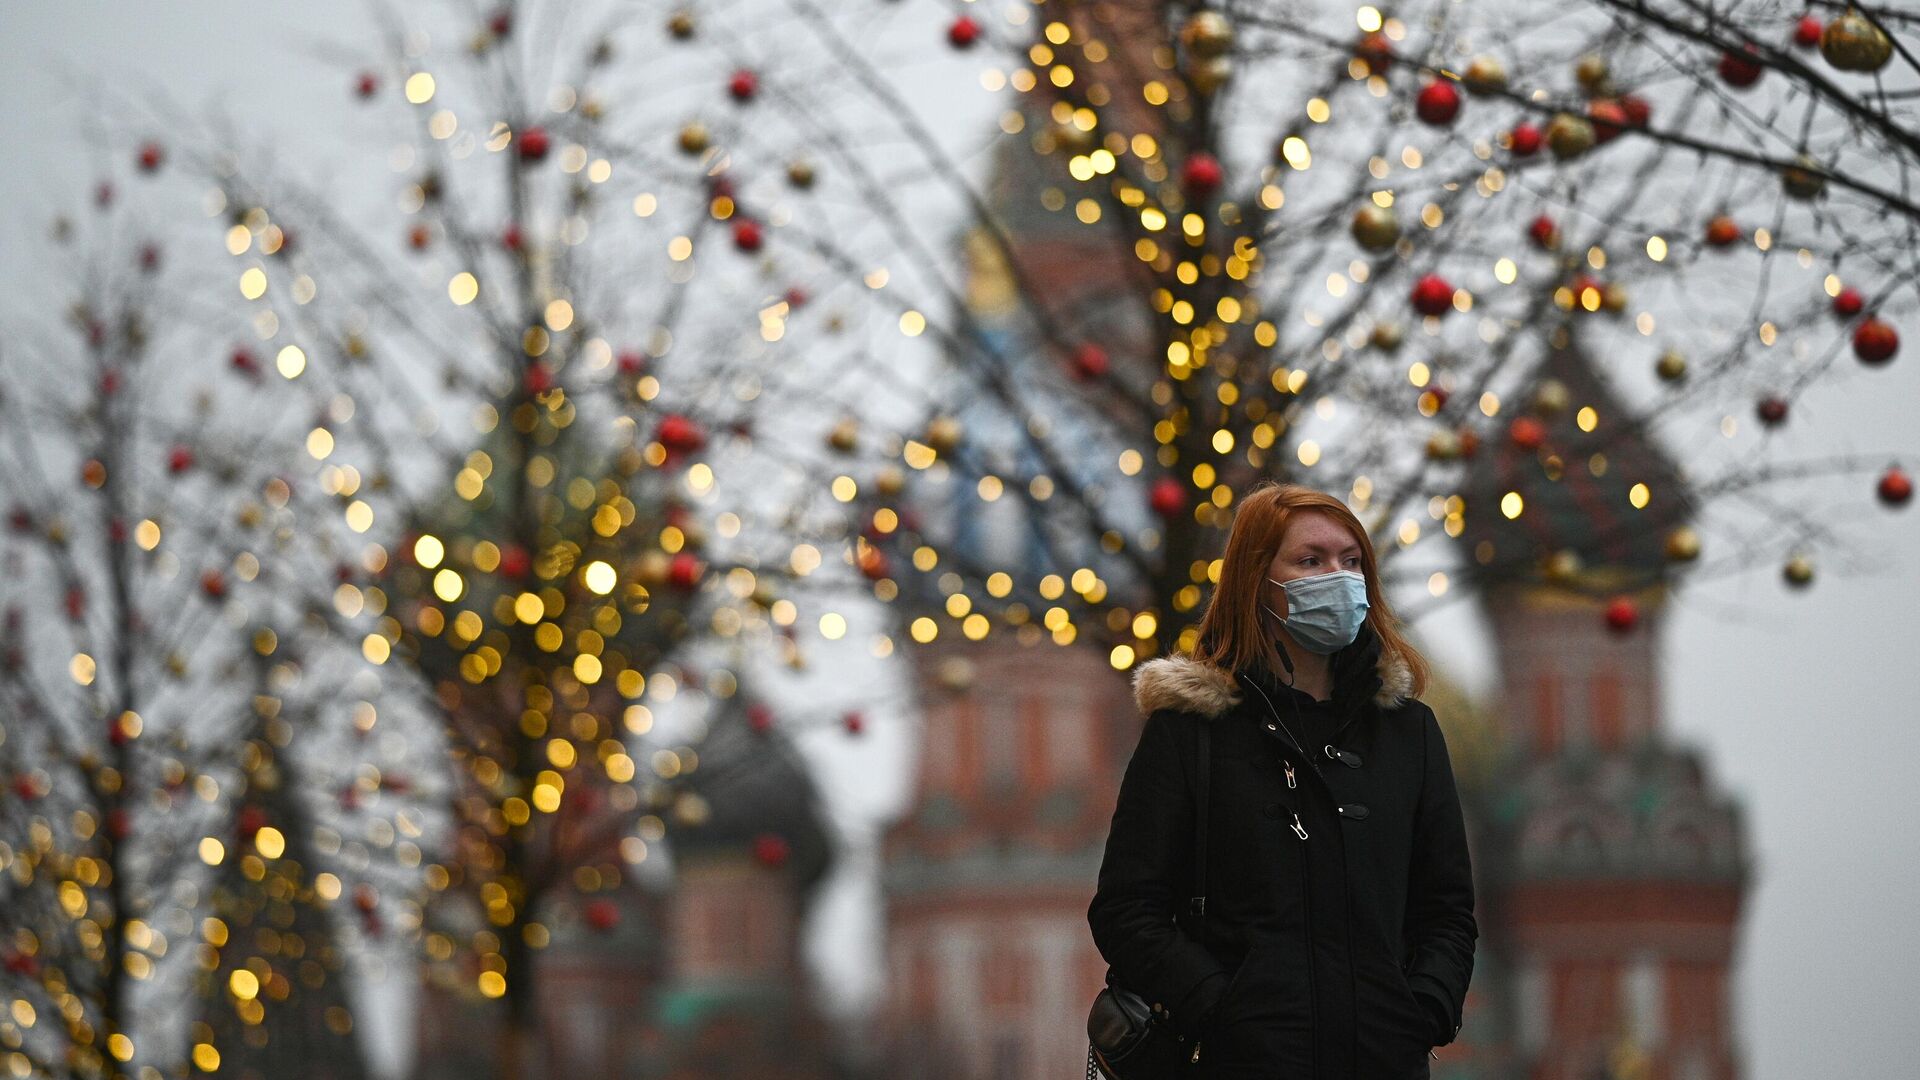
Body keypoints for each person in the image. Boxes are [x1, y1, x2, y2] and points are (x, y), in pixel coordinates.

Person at [1088, 482, 1476, 1079]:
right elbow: (1126, 909)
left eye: (1352, 562)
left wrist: (1424, 1008)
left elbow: (1446, 909)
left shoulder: (1407, 733)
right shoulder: (1193, 732)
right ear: (1256, 579)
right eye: (1310, 561)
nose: (1338, 578)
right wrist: (1220, 1007)